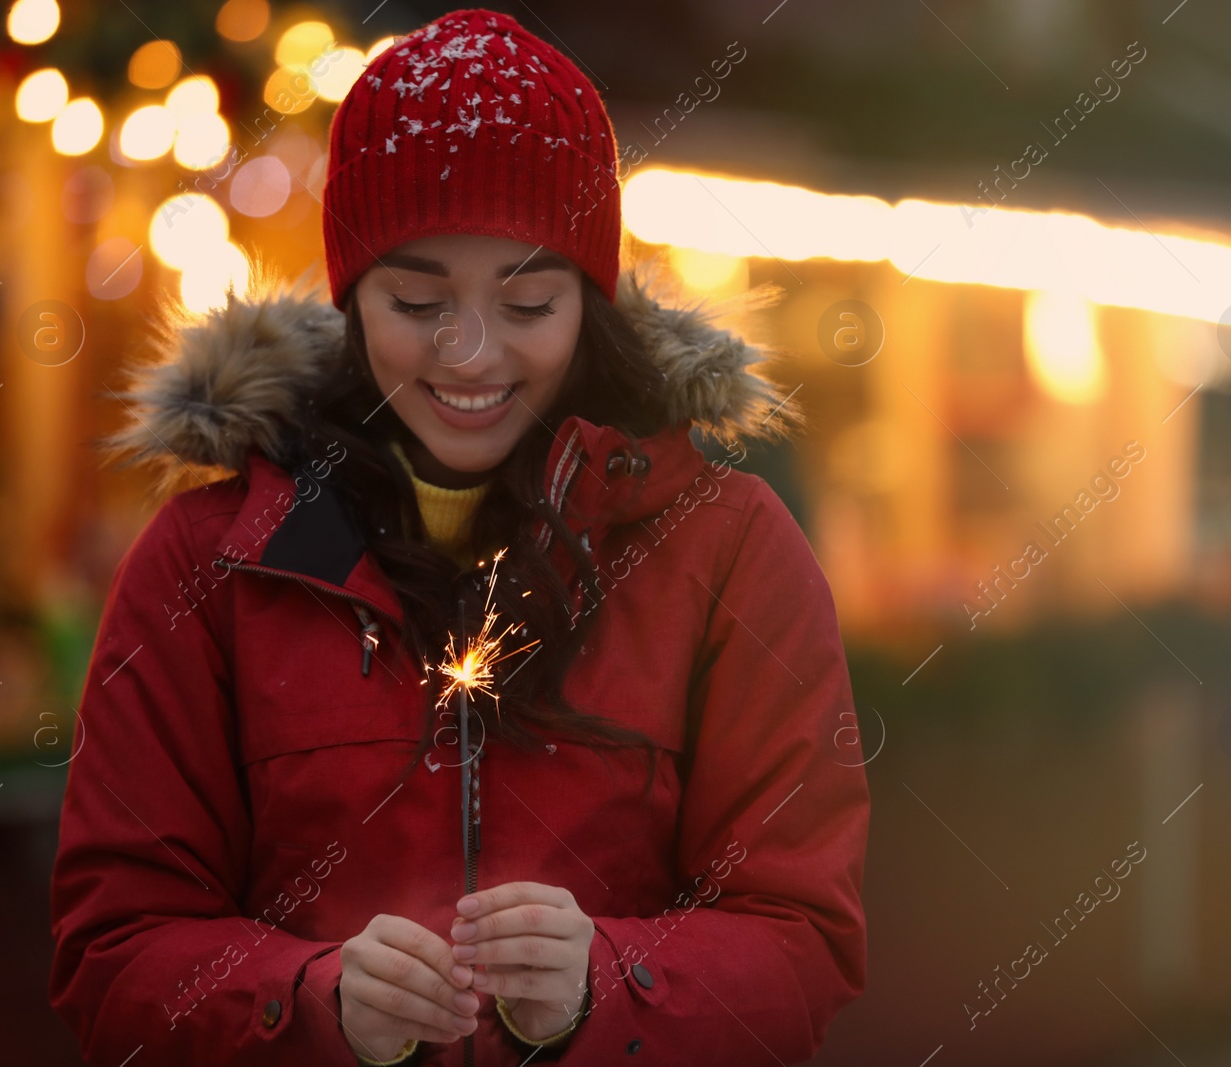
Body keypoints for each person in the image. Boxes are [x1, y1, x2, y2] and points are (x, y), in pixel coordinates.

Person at [47, 8, 868, 1065]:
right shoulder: (211, 561)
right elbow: (111, 950)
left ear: (590, 301)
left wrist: (606, 985)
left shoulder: (727, 550)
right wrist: (307, 999)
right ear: (350, 296)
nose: (469, 353)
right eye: (416, 299)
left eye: (527, 302)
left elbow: (802, 942)